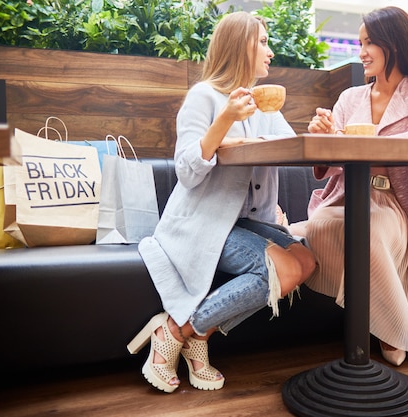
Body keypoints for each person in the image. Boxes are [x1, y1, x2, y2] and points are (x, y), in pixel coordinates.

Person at [127, 11, 317, 393]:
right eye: (262, 42)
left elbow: (292, 152)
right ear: (240, 45)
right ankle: (177, 330)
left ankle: (193, 330)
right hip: (200, 222)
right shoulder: (204, 96)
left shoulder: (267, 108)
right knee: (275, 270)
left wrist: (316, 133)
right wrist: (225, 121)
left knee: (306, 262)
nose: (269, 51)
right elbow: (186, 170)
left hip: (245, 223)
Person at [288, 6, 408, 371]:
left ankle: (395, 334)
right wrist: (325, 134)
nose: (360, 51)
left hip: (393, 200)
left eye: (369, 43)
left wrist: (367, 142)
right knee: (319, 227)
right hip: (344, 197)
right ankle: (406, 333)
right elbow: (329, 162)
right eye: (360, 43)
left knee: (370, 231)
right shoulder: (349, 99)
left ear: (394, 44)